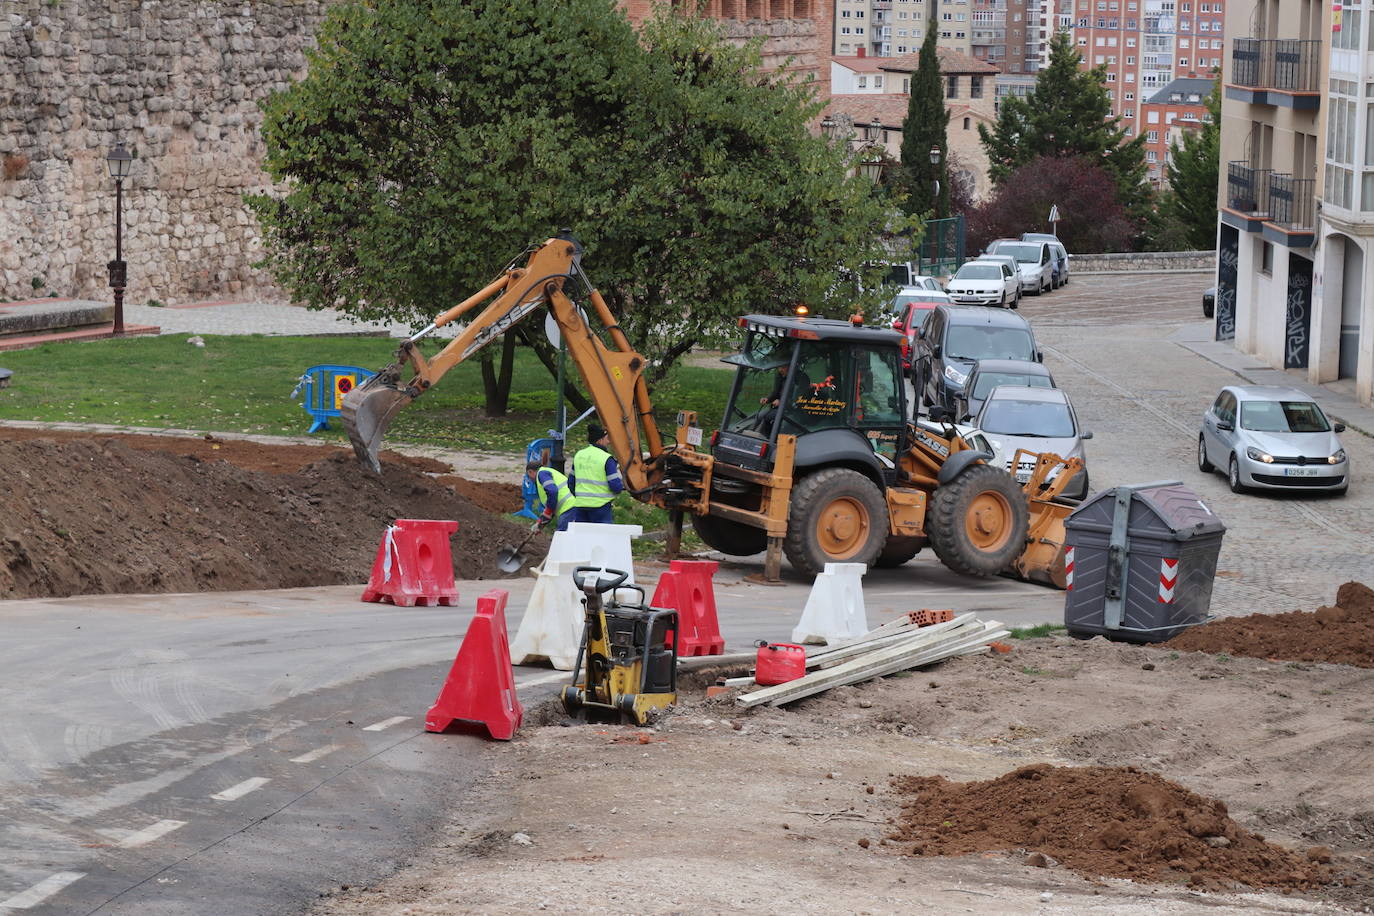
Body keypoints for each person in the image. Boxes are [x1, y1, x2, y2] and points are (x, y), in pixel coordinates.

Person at [569, 423, 624, 524]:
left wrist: (581, 497)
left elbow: (571, 483)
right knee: (602, 537)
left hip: (580, 506)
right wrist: (622, 487)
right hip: (601, 507)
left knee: (583, 537)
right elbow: (615, 486)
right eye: (607, 438)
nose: (609, 441)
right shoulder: (606, 458)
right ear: (600, 440)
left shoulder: (579, 455)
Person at [525, 459, 575, 532]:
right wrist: (540, 524)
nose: (530, 479)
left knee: (562, 537)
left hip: (569, 508)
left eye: (528, 475)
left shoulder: (542, 474)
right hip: (572, 507)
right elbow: (552, 505)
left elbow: (552, 492)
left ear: (530, 472)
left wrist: (547, 512)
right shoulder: (547, 472)